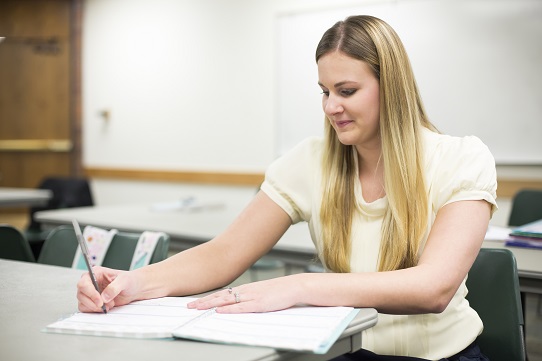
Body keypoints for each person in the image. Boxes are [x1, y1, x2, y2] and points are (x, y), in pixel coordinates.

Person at [77, 15, 496, 361]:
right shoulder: (310, 161)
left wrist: (300, 288)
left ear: (393, 88)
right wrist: (135, 284)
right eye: (325, 92)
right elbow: (225, 254)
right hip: (344, 351)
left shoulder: (462, 159)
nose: (332, 106)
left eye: (347, 91)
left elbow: (433, 288)